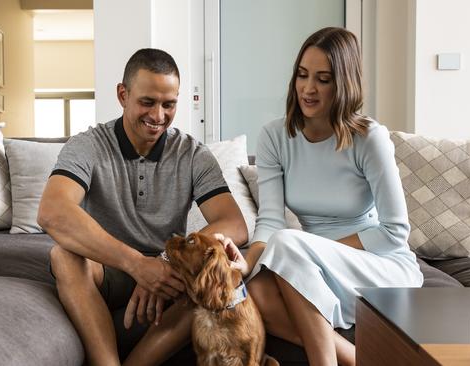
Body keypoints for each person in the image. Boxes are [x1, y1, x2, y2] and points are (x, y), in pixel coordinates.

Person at [224, 27, 423, 366]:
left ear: (344, 83)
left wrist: (319, 252)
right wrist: (247, 264)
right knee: (254, 290)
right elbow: (270, 221)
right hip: (306, 264)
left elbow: (394, 232)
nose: (308, 88)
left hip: (377, 265)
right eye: (302, 75)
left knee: (288, 244)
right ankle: (358, 359)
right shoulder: (275, 136)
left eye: (323, 79)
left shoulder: (369, 138)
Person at [37, 48, 248, 366]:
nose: (158, 115)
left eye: (169, 104)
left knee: (212, 273)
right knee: (63, 256)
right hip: (106, 268)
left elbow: (234, 224)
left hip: (169, 275)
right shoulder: (88, 146)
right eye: (147, 102)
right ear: (123, 94)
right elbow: (52, 211)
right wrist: (137, 265)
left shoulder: (193, 154)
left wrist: (166, 264)